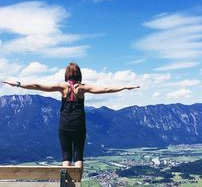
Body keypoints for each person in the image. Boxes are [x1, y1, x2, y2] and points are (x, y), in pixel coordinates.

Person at [2, 63, 140, 174]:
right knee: (78, 155)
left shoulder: (62, 87)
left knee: (66, 156)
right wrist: (125, 87)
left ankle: (66, 185)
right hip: (79, 124)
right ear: (79, 74)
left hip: (64, 124)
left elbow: (38, 86)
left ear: (66, 75)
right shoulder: (82, 88)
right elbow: (106, 89)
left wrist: (18, 84)